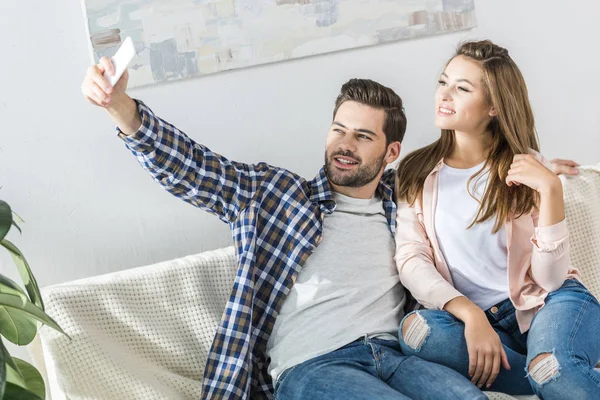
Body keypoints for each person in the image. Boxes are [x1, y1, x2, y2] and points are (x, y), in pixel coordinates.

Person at [81, 64, 490, 399]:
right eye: (338, 129)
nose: (344, 145)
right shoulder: (273, 195)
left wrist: (540, 169)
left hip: (396, 356)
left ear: (391, 152)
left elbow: (473, 167)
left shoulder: (407, 198)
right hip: (314, 365)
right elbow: (191, 168)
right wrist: (120, 106)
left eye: (363, 136)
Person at [395, 39, 600, 399]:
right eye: (443, 82)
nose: (445, 95)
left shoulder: (527, 166)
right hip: (480, 322)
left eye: (462, 88)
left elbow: (550, 280)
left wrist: (551, 189)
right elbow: (411, 259)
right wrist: (471, 315)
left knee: (551, 368)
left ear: (493, 106)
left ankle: (551, 371)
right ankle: (546, 374)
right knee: (417, 333)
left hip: (546, 304)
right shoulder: (416, 170)